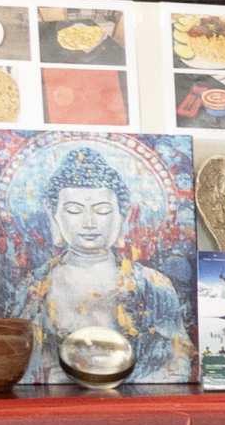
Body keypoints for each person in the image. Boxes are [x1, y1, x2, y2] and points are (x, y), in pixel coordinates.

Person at [28, 147, 190, 384]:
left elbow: (176, 362)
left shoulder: (152, 285)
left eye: (102, 210)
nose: (89, 222)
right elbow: (26, 362)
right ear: (53, 215)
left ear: (123, 215)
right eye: (74, 210)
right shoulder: (35, 286)